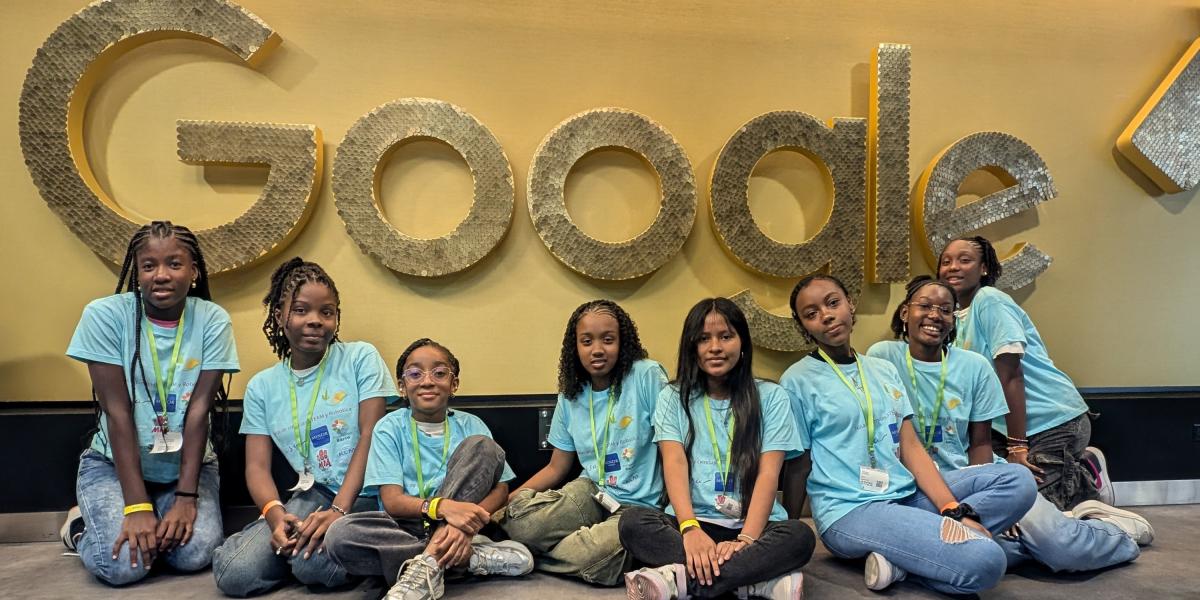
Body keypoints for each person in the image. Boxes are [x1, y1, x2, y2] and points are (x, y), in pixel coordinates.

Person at [868, 275, 1152, 576]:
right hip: (919, 488)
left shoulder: (974, 366)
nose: (935, 315)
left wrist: (1004, 507)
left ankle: (1115, 533)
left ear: (954, 320)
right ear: (904, 313)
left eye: (945, 309)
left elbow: (980, 443)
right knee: (987, 550)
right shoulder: (882, 358)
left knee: (1061, 549)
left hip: (974, 480)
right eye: (924, 306)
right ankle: (1065, 521)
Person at [781, 274, 1036, 594]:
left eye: (833, 303)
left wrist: (951, 510)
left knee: (1018, 480)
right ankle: (912, 560)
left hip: (906, 495)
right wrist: (787, 535)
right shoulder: (797, 381)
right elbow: (798, 464)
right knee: (988, 561)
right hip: (850, 511)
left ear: (850, 304)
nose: (827, 315)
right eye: (811, 313)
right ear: (803, 325)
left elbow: (911, 446)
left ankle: (903, 558)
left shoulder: (881, 368)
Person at [63, 221, 239, 585]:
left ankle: (153, 519)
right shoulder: (106, 316)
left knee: (195, 553)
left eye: (174, 264)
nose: (161, 275)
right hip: (112, 465)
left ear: (193, 272)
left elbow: (199, 411)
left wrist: (186, 498)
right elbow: (117, 411)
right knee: (122, 565)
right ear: (136, 271)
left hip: (185, 468)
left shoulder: (212, 320)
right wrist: (137, 506)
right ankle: (81, 525)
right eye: (149, 266)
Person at [212, 258, 398, 596]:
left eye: (327, 312)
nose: (315, 321)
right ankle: (305, 552)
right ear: (280, 315)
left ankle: (361, 552)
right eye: (301, 310)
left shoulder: (359, 358)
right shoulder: (262, 387)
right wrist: (274, 515)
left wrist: (339, 512)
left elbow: (370, 435)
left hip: (367, 496)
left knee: (312, 566)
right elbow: (256, 466)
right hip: (311, 494)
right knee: (233, 571)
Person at [619, 298, 813, 600]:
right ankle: (753, 583)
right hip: (693, 522)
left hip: (756, 526)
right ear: (691, 347)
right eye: (703, 338)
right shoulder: (673, 397)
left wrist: (747, 540)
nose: (715, 347)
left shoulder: (772, 396)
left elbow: (768, 473)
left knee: (799, 537)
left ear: (743, 342)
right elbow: (675, 464)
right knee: (633, 523)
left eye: (726, 336)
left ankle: (679, 580)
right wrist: (690, 530)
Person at [323, 338, 533, 600]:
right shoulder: (388, 427)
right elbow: (392, 501)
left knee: (482, 446)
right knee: (340, 535)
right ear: (402, 386)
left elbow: (501, 490)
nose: (427, 381)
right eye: (414, 373)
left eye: (440, 372)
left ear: (453, 384)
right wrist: (442, 508)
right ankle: (466, 558)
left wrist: (462, 525)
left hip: (466, 524)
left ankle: (427, 566)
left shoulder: (471, 425)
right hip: (405, 526)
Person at [496, 300, 668, 585]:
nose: (597, 349)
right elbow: (556, 467)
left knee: (595, 558)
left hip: (640, 506)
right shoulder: (571, 394)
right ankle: (546, 548)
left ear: (623, 343)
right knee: (523, 526)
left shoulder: (646, 375)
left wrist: (676, 511)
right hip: (592, 491)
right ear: (574, 347)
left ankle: (523, 559)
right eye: (586, 341)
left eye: (608, 340)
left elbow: (673, 448)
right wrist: (507, 503)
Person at [939, 236, 1111, 510]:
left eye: (964, 260)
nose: (953, 267)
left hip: (1052, 421)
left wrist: (1017, 447)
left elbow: (1011, 375)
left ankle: (1083, 477)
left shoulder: (990, 300)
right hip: (1002, 429)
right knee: (983, 496)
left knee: (1024, 509)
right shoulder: (956, 318)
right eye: (946, 262)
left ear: (984, 268)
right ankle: (1078, 469)